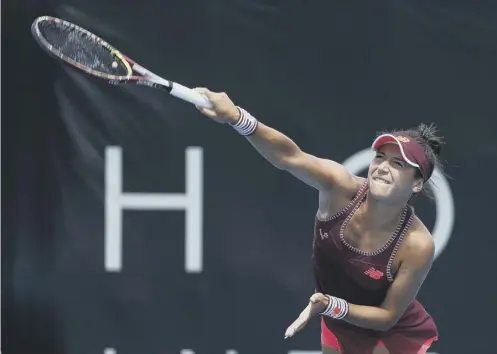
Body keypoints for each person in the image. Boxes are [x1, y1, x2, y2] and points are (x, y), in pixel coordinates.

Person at [193, 87, 441, 354]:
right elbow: (289, 156)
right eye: (380, 157)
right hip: (336, 318)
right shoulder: (339, 187)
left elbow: (387, 316)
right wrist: (237, 117)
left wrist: (331, 305)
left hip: (390, 333)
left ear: (417, 184)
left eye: (398, 164)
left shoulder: (417, 244)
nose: (382, 167)